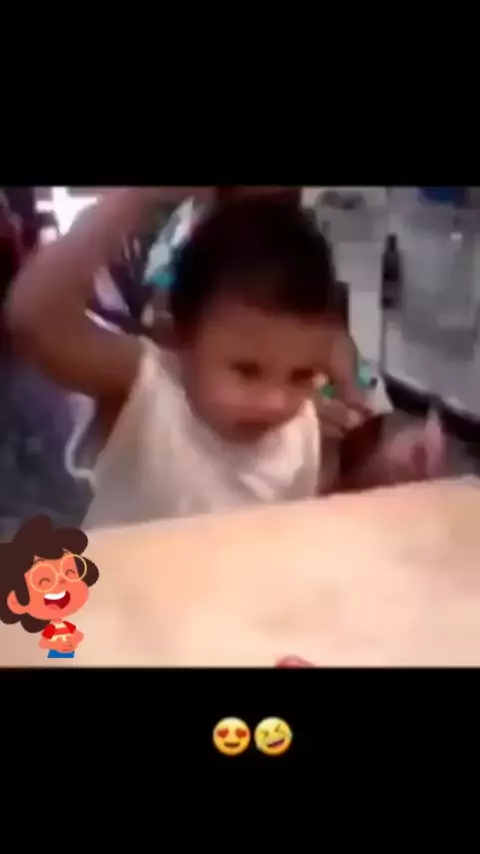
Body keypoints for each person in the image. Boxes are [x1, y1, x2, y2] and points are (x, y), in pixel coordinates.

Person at [6, 188, 444, 527]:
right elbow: (32, 317)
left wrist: (385, 474)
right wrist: (138, 196)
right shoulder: (146, 391)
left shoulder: (300, 425)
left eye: (301, 375)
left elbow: (303, 518)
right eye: (246, 371)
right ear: (181, 338)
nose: (276, 401)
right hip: (128, 609)